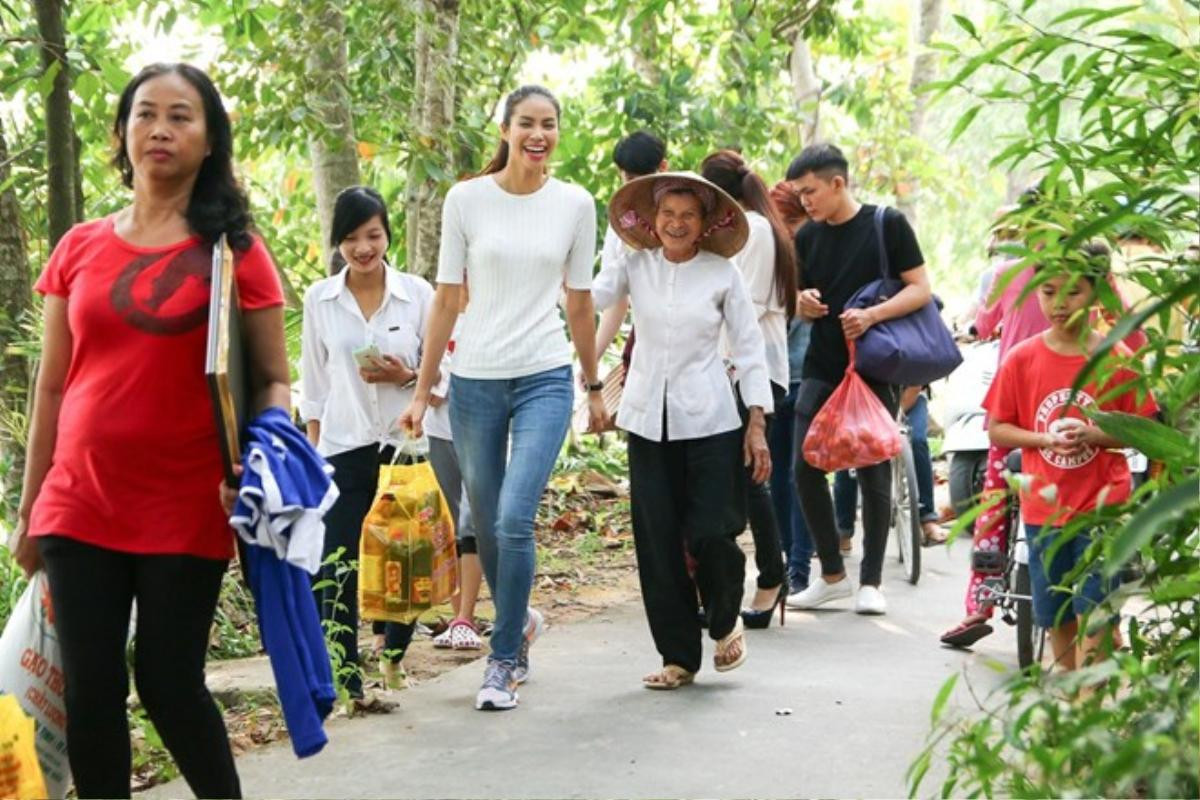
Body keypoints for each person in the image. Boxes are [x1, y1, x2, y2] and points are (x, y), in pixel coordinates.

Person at [9, 63, 288, 798]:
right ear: (124, 133)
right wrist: (29, 506)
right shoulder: (78, 247)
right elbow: (53, 383)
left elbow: (271, 381)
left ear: (209, 139)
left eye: (180, 116)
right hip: (79, 500)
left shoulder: (237, 253)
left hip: (188, 500)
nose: (160, 129)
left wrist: (264, 465)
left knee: (168, 683)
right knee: (91, 693)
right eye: (145, 114)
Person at [399, 85, 608, 711]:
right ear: (505, 128)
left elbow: (579, 301)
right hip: (475, 381)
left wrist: (593, 386)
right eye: (526, 123)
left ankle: (503, 659)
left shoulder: (575, 203)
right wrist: (420, 388)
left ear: (557, 133)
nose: (537, 135)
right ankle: (520, 621)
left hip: (545, 373)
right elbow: (445, 298)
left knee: (514, 518)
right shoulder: (466, 199)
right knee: (486, 523)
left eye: (548, 125)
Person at [593, 171, 772, 688]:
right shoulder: (635, 264)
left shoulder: (722, 274)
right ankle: (678, 657)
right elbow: (591, 296)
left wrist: (755, 420)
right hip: (647, 419)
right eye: (667, 214)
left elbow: (748, 346)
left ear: (703, 225)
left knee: (714, 529)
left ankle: (724, 618)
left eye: (687, 216)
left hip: (711, 417)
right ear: (653, 220)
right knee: (658, 539)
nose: (675, 223)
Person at [982, 243, 1155, 670]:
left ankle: (1086, 704)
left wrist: (1096, 434)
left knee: (1094, 612)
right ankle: (1071, 689)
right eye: (1048, 291)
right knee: (1055, 613)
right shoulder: (1022, 359)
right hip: (1044, 509)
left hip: (1102, 510)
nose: (1058, 304)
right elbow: (998, 428)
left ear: (1097, 293)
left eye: (1072, 292)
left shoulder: (1117, 358)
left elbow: (1148, 431)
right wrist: (1043, 440)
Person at [783, 143, 933, 616]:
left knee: (871, 467)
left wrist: (872, 316)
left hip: (875, 366)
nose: (805, 201)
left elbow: (921, 289)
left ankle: (870, 582)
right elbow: (795, 295)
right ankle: (831, 575)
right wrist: (801, 301)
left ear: (837, 183)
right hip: (822, 366)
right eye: (798, 194)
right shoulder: (807, 238)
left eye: (810, 191)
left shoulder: (886, 224)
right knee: (804, 468)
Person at [300, 186, 436, 701]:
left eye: (373, 235)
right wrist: (313, 454)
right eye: (351, 238)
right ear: (337, 243)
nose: (363, 248)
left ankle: (394, 657)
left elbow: (437, 374)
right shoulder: (321, 299)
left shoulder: (417, 294)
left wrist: (407, 378)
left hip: (404, 445)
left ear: (387, 235)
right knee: (338, 562)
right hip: (343, 443)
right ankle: (345, 675)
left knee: (403, 560)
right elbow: (313, 382)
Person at [700, 150, 796, 627]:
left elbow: (747, 308)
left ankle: (772, 576)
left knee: (749, 477)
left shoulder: (755, 231)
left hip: (749, 367)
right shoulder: (757, 227)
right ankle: (765, 576)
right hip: (740, 365)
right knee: (743, 478)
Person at [426, 284, 484, 652]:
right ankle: (456, 614)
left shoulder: (489, 315)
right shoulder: (434, 313)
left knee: (471, 520)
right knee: (446, 522)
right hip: (437, 428)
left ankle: (466, 615)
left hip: (482, 429)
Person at [767, 180, 816, 590]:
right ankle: (785, 562)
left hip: (806, 376)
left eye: (794, 222)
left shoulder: (817, 251)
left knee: (800, 475)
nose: (790, 232)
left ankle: (799, 567)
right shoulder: (764, 255)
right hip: (770, 379)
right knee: (776, 475)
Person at [595, 130, 668, 362]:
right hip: (646, 343)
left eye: (643, 178)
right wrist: (592, 357)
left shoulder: (689, 213)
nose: (637, 188)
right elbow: (615, 297)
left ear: (663, 167)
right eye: (630, 179)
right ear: (620, 175)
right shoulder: (622, 222)